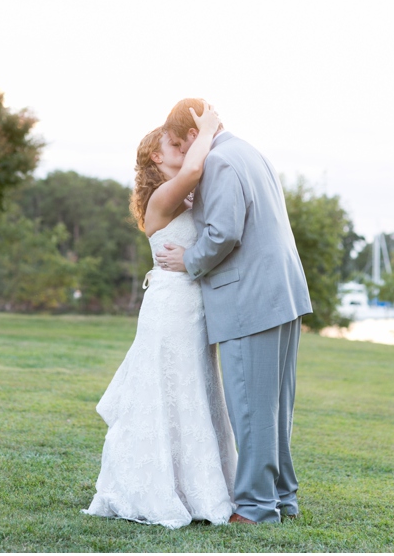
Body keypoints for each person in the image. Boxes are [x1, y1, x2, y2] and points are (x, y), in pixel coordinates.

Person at [155, 98, 312, 524]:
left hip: (251, 298)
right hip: (282, 293)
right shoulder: (249, 151)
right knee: (276, 406)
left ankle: (258, 508)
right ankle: (283, 498)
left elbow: (224, 232)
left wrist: (187, 259)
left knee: (251, 407)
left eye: (178, 144)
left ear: (192, 134)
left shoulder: (221, 161)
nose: (186, 156)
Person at [84, 103, 237, 529]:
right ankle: (159, 486)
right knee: (170, 390)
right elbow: (191, 170)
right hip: (170, 310)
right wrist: (207, 128)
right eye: (176, 142)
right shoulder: (161, 198)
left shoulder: (188, 196)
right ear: (157, 156)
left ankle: (200, 485)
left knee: (195, 390)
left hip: (194, 309)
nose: (185, 147)